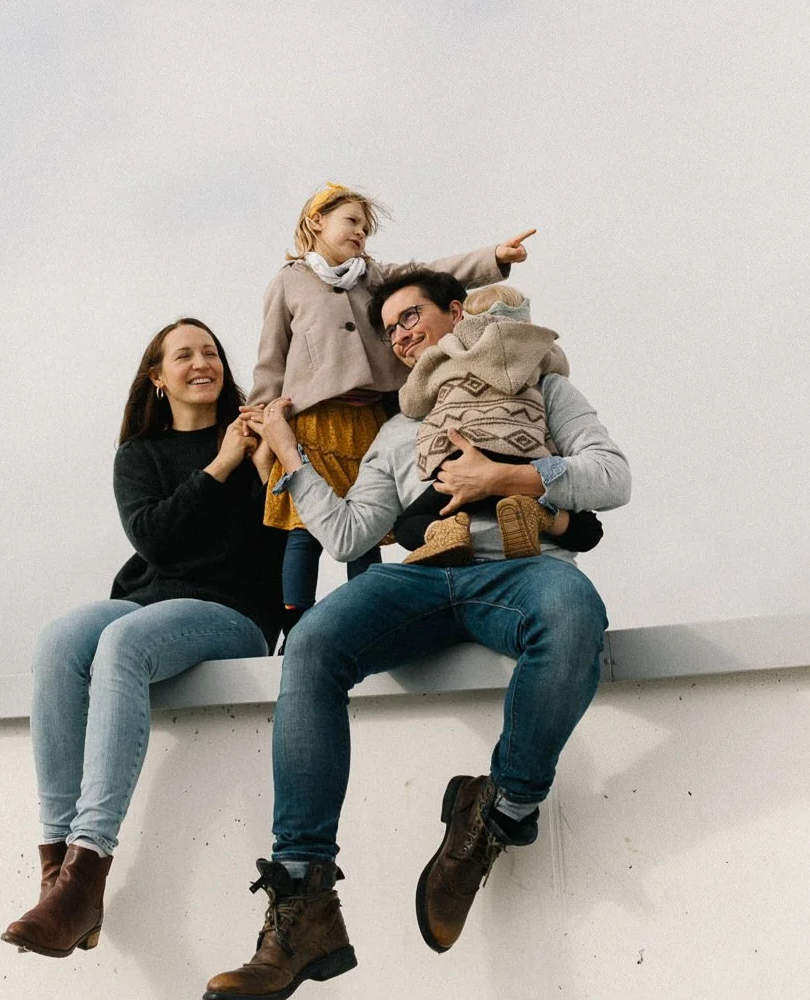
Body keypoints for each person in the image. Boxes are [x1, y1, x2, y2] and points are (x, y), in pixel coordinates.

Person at [204, 268, 629, 999]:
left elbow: (611, 477)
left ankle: (495, 814)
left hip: (522, 572)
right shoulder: (397, 431)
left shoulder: (541, 385)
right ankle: (304, 902)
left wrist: (511, 477)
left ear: (456, 313)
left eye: (412, 316)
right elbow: (346, 536)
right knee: (313, 645)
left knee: (573, 613)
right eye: (391, 327)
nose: (401, 334)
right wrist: (289, 451)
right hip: (423, 578)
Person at [1, 318, 284, 960]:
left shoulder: (256, 436)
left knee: (122, 645)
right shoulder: (140, 455)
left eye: (210, 350)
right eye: (182, 355)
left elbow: (277, 537)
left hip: (231, 611)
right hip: (147, 600)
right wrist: (219, 466)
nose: (201, 362)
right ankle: (58, 880)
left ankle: (88, 863)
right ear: (158, 378)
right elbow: (155, 539)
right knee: (59, 642)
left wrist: (254, 460)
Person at [249, 181, 535, 631]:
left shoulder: (375, 276)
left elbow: (433, 274)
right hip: (314, 421)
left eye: (366, 227)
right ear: (316, 221)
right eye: (351, 221)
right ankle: (295, 621)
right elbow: (272, 354)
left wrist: (494, 256)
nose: (360, 232)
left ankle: (368, 610)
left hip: (370, 417)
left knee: (365, 525)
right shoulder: (288, 283)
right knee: (304, 526)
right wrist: (261, 414)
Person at [394, 283, 603, 564]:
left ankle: (446, 532)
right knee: (588, 528)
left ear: (462, 320)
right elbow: (561, 368)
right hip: (524, 458)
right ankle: (538, 514)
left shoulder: (448, 352)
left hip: (462, 463)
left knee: (407, 524)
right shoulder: (540, 352)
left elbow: (411, 401)